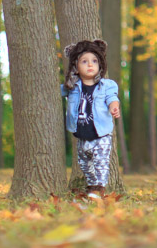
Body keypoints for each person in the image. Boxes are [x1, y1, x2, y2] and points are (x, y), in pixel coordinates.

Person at [61, 39, 121, 197]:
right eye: (84, 61)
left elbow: (112, 97)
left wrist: (114, 107)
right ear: (75, 66)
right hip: (81, 135)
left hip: (101, 135)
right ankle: (92, 184)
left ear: (100, 65)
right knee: (84, 163)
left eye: (94, 61)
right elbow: (57, 92)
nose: (90, 65)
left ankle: (99, 188)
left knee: (100, 162)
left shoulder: (106, 85)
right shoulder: (72, 87)